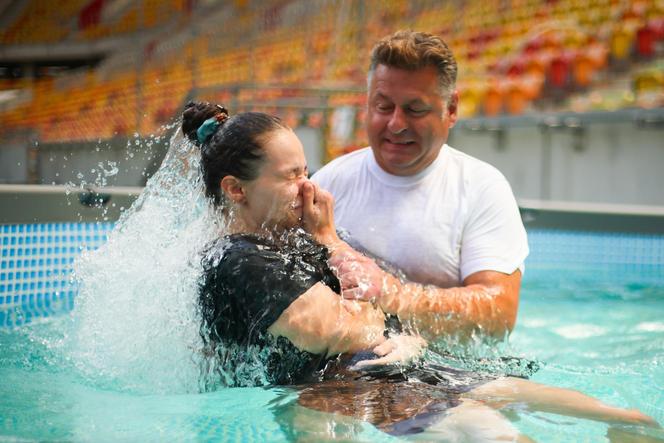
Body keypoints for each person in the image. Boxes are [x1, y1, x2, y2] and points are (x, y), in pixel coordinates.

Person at [182, 101, 658, 439]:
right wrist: (394, 333)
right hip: (362, 381)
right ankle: (622, 418)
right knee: (487, 420)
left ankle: (625, 420)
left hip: (370, 384)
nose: (309, 186)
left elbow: (358, 320)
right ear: (236, 189)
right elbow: (342, 331)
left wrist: (332, 245)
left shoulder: (291, 240)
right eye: (291, 176)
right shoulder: (238, 260)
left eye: (306, 170)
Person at [312, 30, 528, 340]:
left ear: (451, 109)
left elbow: (499, 313)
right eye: (383, 107)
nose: (396, 124)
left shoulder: (481, 189)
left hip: (443, 376)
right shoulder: (329, 183)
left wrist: (394, 295)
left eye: (415, 109)